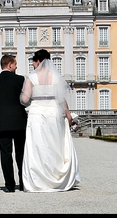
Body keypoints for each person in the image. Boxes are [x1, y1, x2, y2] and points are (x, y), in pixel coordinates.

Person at [20, 49, 80, 192]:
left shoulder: (32, 77)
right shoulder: (56, 77)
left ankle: (39, 180)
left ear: (38, 61)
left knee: (37, 146)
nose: (33, 65)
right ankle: (55, 178)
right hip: (54, 112)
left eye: (34, 62)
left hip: (37, 113)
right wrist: (69, 115)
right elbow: (62, 100)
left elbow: (24, 99)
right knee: (54, 144)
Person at [0, 54, 28, 193]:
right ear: (10, 64)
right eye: (15, 64)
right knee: (21, 153)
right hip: (18, 122)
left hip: (2, 123)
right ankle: (23, 184)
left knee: (5, 154)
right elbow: (24, 101)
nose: (16, 67)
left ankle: (9, 186)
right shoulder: (20, 79)